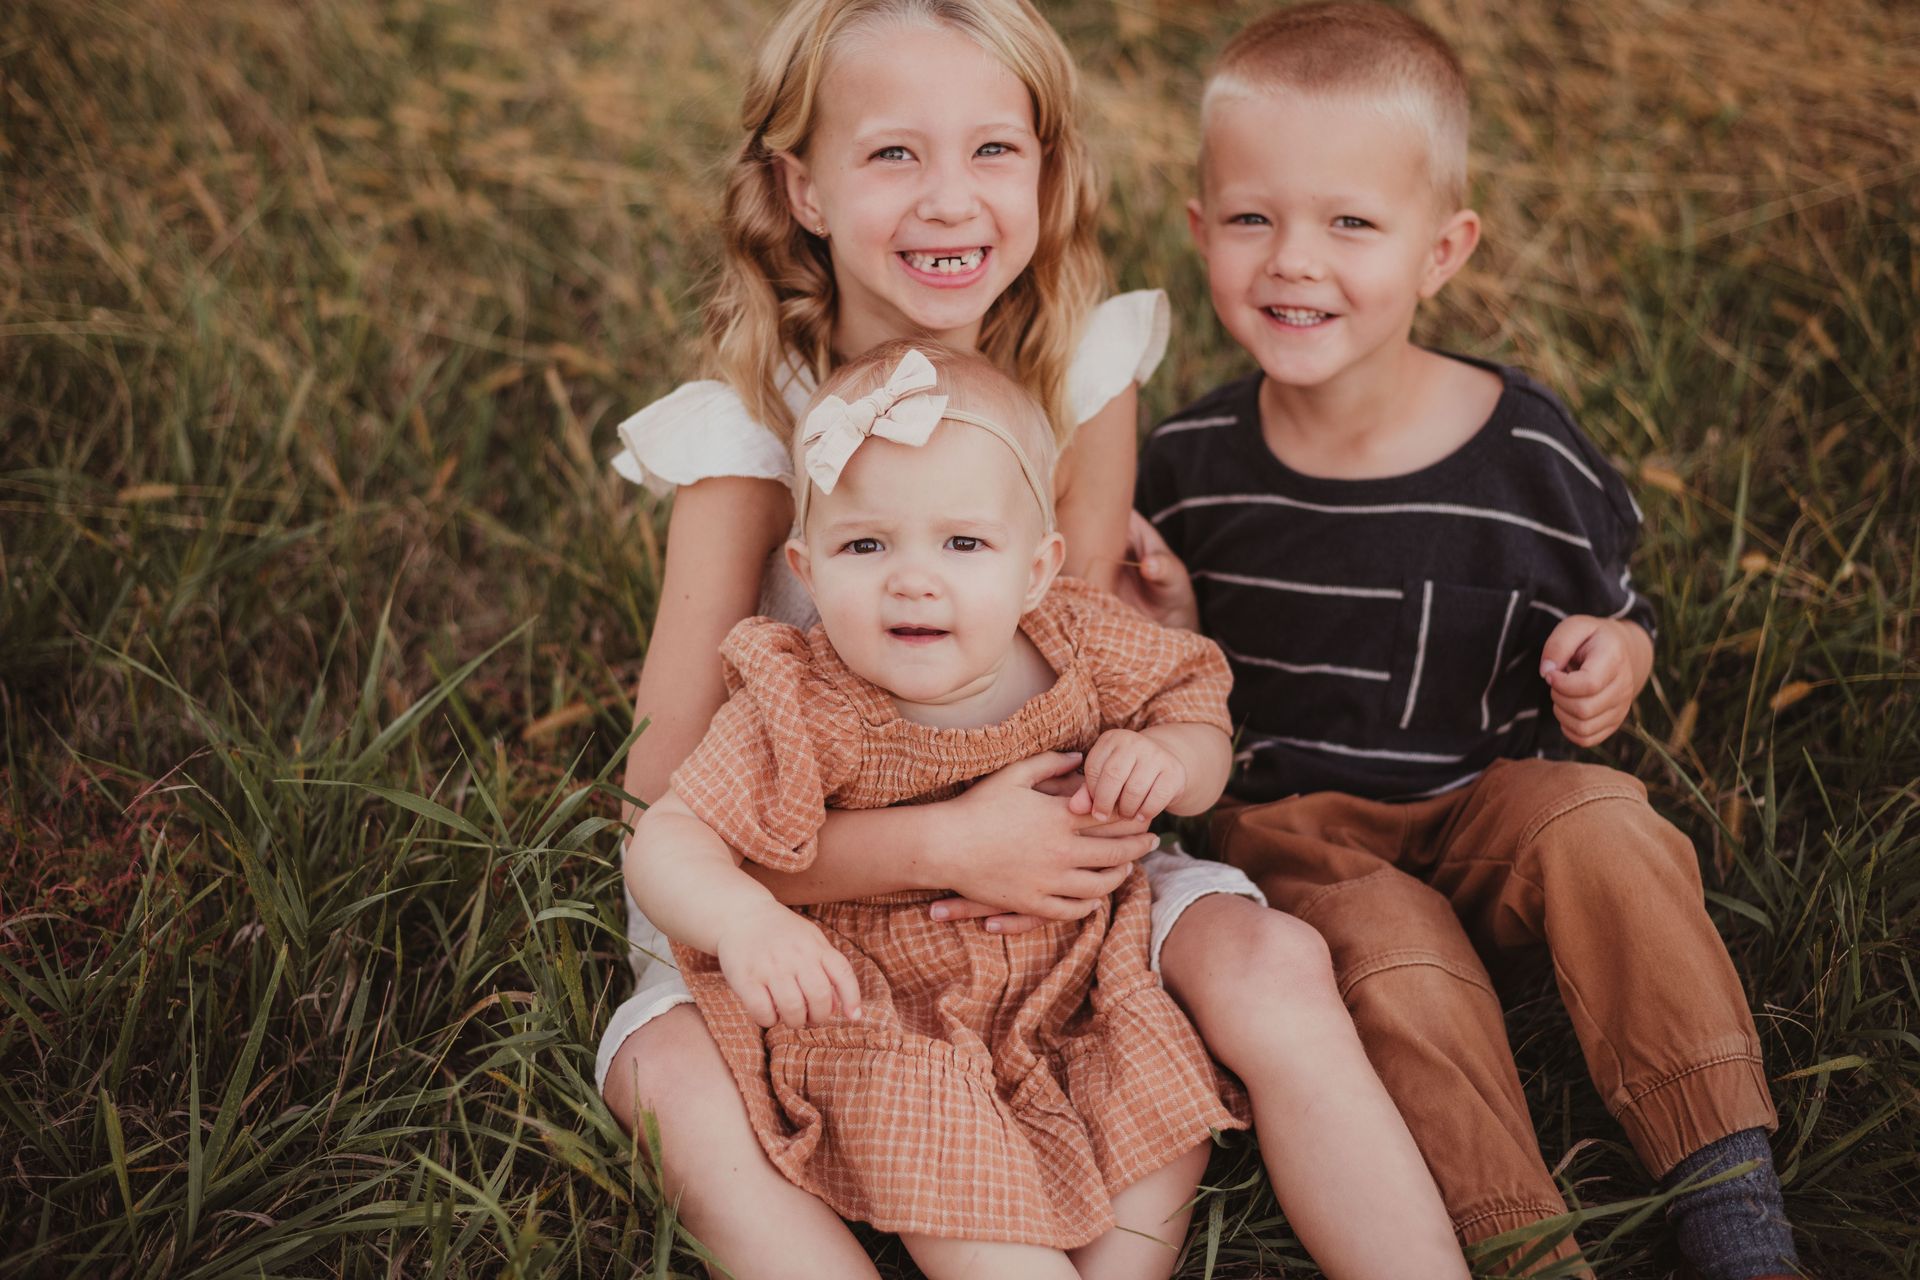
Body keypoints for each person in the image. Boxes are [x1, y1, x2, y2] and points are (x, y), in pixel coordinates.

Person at [598, 1, 1464, 1276]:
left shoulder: (1076, 377)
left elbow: (1103, 670)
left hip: (1054, 876)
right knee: (667, 1073)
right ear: (806, 188)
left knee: (1272, 964)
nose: (951, 200)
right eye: (894, 153)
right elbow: (658, 816)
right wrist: (944, 845)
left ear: (1048, 175)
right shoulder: (750, 445)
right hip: (803, 877)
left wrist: (1134, 769)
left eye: (995, 150)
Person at [1124, 4, 1799, 1277]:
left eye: (1351, 224)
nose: (1294, 262)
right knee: (1392, 956)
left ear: (1444, 249)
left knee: (1604, 816)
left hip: (1490, 796)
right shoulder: (1190, 470)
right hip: (1303, 830)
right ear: (1203, 229)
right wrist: (1169, 627)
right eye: (1254, 219)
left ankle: (1729, 1197)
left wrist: (1619, 659)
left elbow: (1620, 608)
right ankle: (1530, 1244)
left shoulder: (1527, 447)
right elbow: (1158, 664)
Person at [629, 342, 1250, 1280]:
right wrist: (745, 919)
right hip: (893, 1019)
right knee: (948, 1169)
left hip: (1078, 981)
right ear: (807, 564)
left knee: (1155, 1108)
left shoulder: (1076, 636)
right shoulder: (800, 700)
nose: (913, 579)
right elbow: (668, 836)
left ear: (1037, 570)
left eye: (963, 543)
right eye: (866, 545)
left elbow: (1199, 704)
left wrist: (1169, 758)